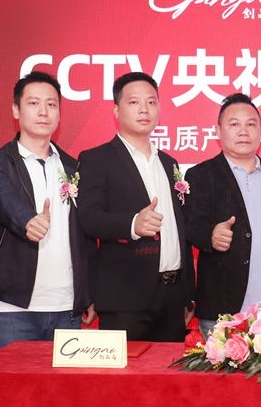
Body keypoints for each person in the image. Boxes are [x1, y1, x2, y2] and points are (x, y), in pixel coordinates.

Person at [0, 71, 96, 351]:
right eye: (33, 103)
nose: (43, 111)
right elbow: (2, 199)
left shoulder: (74, 168)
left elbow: (87, 236)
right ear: (16, 110)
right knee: (9, 382)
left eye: (51, 104)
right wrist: (27, 220)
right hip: (13, 309)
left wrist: (88, 293)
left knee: (64, 384)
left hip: (67, 309)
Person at [76, 72, 193, 340]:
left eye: (151, 102)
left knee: (170, 369)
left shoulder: (170, 164)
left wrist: (187, 293)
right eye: (134, 102)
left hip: (173, 297)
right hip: (125, 297)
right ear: (116, 110)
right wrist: (132, 224)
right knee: (127, 369)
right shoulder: (97, 159)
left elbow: (181, 231)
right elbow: (89, 219)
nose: (144, 109)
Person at [184, 93, 261, 336]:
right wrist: (211, 236)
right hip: (222, 309)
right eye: (234, 124)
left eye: (251, 124)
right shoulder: (201, 175)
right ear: (218, 131)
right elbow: (190, 226)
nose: (243, 131)